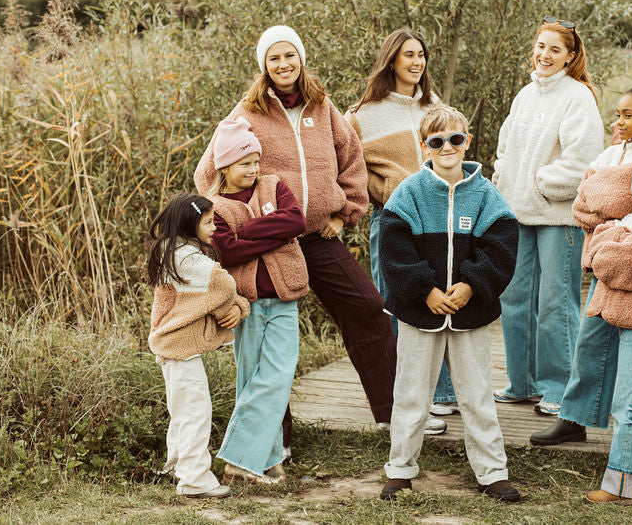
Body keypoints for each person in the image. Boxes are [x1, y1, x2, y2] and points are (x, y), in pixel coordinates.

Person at [194, 25, 398, 438]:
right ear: (264, 66)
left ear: (301, 59)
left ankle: (395, 414)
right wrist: (242, 221)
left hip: (319, 236)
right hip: (270, 245)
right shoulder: (247, 112)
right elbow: (208, 174)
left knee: (367, 308)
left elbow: (352, 159)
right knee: (268, 336)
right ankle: (275, 437)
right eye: (274, 58)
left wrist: (346, 213)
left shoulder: (322, 107)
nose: (283, 64)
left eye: (290, 55)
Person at [378, 105, 520, 502]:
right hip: (419, 311)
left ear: (467, 142)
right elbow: (394, 248)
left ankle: (492, 473)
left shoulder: (486, 194)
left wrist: (473, 285)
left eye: (455, 140)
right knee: (410, 393)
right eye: (437, 141)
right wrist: (424, 289)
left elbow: (502, 246)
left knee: (476, 395)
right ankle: (401, 469)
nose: (447, 147)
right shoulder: (409, 193)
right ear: (425, 145)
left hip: (469, 314)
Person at [530, 85, 632, 447]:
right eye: (618, 114)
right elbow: (582, 205)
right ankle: (574, 417)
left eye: (629, 115)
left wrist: (606, 196)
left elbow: (623, 200)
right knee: (591, 338)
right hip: (607, 260)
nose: (619, 121)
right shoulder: (613, 153)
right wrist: (608, 199)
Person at [492, 16, 604, 416]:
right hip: (516, 213)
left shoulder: (578, 98)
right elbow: (504, 149)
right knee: (514, 296)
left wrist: (542, 184)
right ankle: (521, 383)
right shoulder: (525, 95)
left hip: (557, 216)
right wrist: (506, 181)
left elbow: (583, 162)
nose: (545, 55)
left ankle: (560, 389)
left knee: (556, 303)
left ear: (570, 57)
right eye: (541, 46)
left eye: (555, 49)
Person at [347, 29, 453, 430]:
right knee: (394, 305)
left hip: (437, 221)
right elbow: (348, 168)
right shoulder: (362, 114)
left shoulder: (435, 107)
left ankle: (440, 394)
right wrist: (378, 192)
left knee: (436, 300)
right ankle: (400, 401)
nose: (417, 62)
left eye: (421, 55)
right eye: (408, 55)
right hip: (392, 221)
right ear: (391, 60)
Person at [203, 117, 308, 484]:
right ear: (225, 166)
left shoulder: (274, 186)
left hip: (282, 299)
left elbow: (295, 222)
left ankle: (238, 459)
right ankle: (268, 460)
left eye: (255, 162)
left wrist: (247, 231)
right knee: (252, 379)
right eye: (244, 163)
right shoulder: (214, 207)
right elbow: (227, 253)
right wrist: (270, 235)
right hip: (245, 304)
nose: (253, 169)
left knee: (277, 376)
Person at [147, 193, 251, 499]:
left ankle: (177, 466)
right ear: (190, 225)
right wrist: (239, 307)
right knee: (195, 411)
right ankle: (194, 480)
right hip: (180, 348)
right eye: (207, 222)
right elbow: (223, 286)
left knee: (183, 410)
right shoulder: (188, 258)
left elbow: (209, 296)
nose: (213, 228)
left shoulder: (173, 251)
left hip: (173, 347)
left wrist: (230, 307)